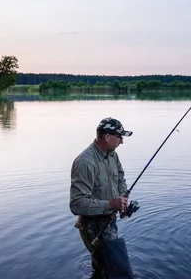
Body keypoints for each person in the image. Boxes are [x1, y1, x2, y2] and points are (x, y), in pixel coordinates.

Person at [70, 117, 133, 278]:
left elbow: (120, 179)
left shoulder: (113, 155)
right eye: (120, 137)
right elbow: (77, 204)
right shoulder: (85, 162)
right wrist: (111, 204)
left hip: (109, 222)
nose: (122, 142)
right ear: (107, 137)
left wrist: (122, 202)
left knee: (104, 271)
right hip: (93, 227)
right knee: (119, 273)